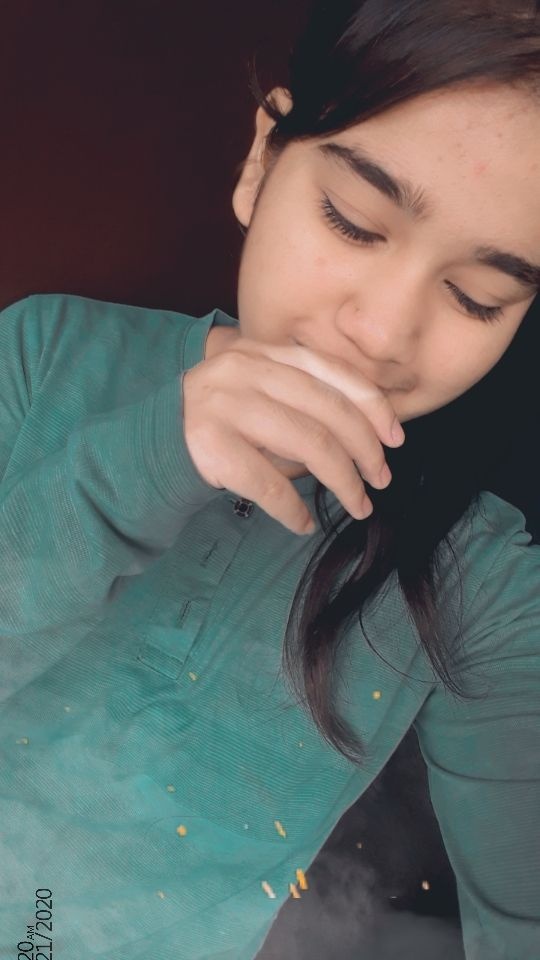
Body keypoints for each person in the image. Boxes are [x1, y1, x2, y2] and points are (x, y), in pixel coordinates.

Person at [0, 1, 538, 957]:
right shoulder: (43, 357)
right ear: (261, 161)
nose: (382, 333)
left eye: (476, 296)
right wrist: (144, 464)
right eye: (354, 222)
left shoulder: (486, 581)